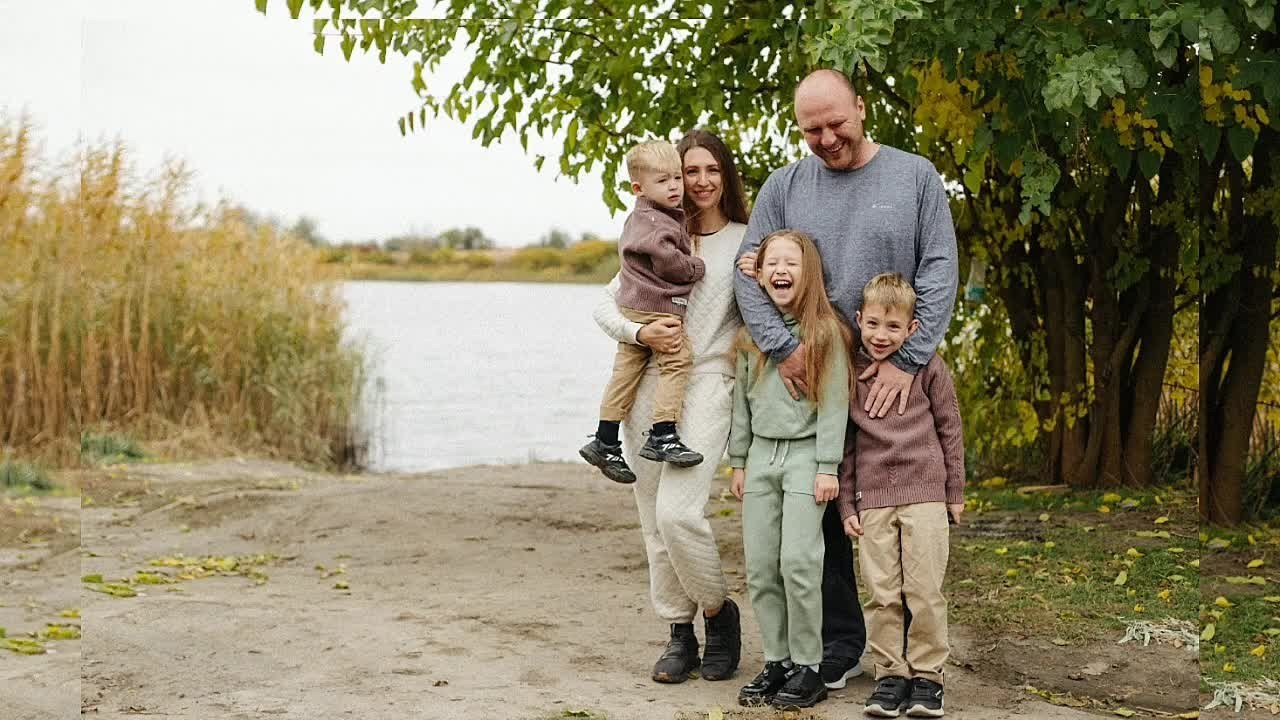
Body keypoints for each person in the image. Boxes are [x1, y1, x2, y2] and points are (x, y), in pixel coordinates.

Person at [733, 67, 960, 690]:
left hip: (891, 370)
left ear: (862, 108)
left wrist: (907, 361)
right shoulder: (784, 186)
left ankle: (914, 663)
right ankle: (838, 644)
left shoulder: (914, 177)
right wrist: (784, 350)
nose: (827, 138)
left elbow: (939, 268)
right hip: (810, 374)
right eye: (812, 129)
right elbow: (745, 272)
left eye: (837, 123)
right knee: (825, 512)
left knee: (893, 512)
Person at [592, 129, 750, 683]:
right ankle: (679, 632)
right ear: (670, 180)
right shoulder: (656, 232)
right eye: (688, 172)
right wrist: (640, 334)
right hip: (647, 389)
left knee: (679, 516)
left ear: (726, 175)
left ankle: (718, 613)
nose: (699, 182)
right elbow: (604, 306)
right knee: (652, 525)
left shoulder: (745, 242)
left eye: (711, 170)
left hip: (707, 382)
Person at [728, 229, 850, 710]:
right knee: (761, 566)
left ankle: (808, 665)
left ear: (809, 273)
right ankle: (776, 660)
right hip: (760, 458)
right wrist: (738, 461)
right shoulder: (749, 337)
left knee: (799, 562)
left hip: (805, 458)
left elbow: (835, 404)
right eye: (771, 263)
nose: (781, 271)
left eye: (791, 264)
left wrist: (826, 466)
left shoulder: (826, 334)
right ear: (757, 275)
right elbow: (741, 405)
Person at [839, 273, 965, 718]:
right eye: (872, 324)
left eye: (893, 327)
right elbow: (848, 442)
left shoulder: (929, 366)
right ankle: (890, 674)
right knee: (881, 590)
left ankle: (929, 678)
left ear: (912, 329)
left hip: (926, 492)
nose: (880, 335)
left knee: (925, 589)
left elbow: (950, 428)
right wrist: (847, 502)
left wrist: (955, 490)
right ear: (859, 321)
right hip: (873, 498)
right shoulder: (852, 373)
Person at [580, 139, 707, 485]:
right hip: (655, 310)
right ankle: (663, 432)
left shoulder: (639, 218)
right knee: (678, 359)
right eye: (664, 181)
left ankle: (605, 438)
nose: (675, 187)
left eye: (677, 178)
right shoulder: (659, 222)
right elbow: (670, 264)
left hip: (633, 307)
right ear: (639, 187)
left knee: (625, 372)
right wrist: (695, 267)